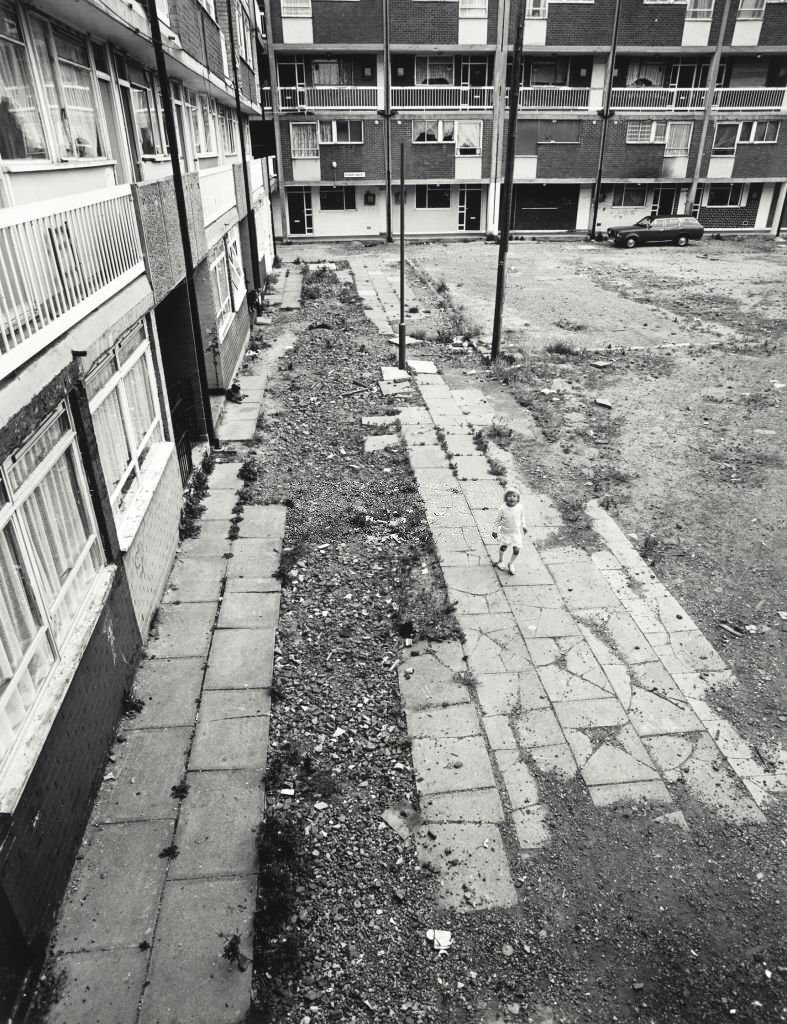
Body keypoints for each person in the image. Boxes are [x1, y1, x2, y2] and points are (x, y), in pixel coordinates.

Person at [491, 487, 527, 575]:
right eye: (509, 496)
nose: (512, 498)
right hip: (505, 533)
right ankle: (500, 561)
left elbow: (522, 517)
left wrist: (524, 526)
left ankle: (511, 563)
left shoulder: (520, 507)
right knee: (504, 547)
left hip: (515, 534)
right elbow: (497, 521)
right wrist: (494, 530)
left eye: (514, 496)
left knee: (516, 550)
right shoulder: (502, 509)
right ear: (506, 498)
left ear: (518, 499)